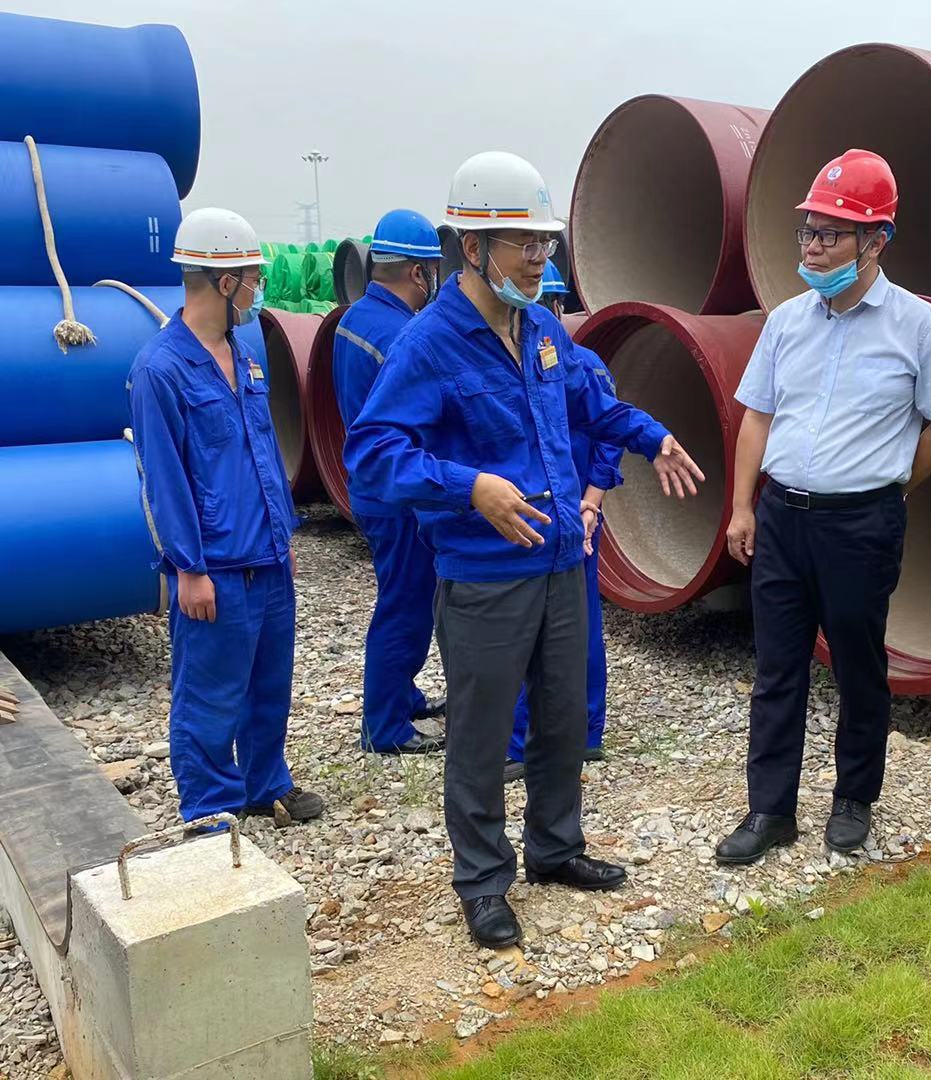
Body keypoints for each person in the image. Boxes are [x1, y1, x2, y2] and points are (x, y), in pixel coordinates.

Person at [344, 152, 705, 949]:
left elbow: (592, 403)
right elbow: (371, 453)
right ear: (472, 248)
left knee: (562, 716)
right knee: (479, 735)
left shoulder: (540, 325)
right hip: (485, 575)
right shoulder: (429, 344)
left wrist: (653, 436)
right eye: (525, 244)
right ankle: (482, 881)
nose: (541, 259)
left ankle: (555, 847)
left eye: (546, 243)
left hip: (561, 562)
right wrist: (470, 486)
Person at [715, 149, 931, 865]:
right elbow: (757, 417)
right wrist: (742, 508)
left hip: (861, 524)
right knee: (777, 668)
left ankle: (855, 798)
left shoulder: (921, 328)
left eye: (831, 234)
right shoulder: (786, 322)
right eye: (808, 231)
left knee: (857, 664)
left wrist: (892, 486)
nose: (813, 247)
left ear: (875, 241)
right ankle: (770, 809)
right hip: (782, 518)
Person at [128, 207, 324, 829]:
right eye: (253, 276)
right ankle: (210, 807)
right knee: (210, 693)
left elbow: (263, 448)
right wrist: (188, 568)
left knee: (268, 683)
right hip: (214, 565)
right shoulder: (160, 370)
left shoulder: (246, 351)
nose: (258, 287)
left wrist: (283, 535)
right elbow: (163, 480)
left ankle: (266, 782)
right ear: (224, 280)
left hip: (267, 555)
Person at [334, 209, 446, 755]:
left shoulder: (353, 318)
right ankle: (386, 726)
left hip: (371, 486)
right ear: (418, 272)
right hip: (398, 495)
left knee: (399, 595)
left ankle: (402, 695)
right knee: (406, 604)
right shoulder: (401, 334)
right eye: (433, 270)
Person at [505, 260, 618, 782]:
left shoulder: (562, 366)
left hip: (551, 516)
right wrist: (592, 503)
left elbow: (608, 436)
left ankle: (532, 741)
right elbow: (610, 437)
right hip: (564, 514)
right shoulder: (583, 364)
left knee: (537, 628)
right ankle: (576, 733)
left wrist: (589, 505)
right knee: (572, 624)